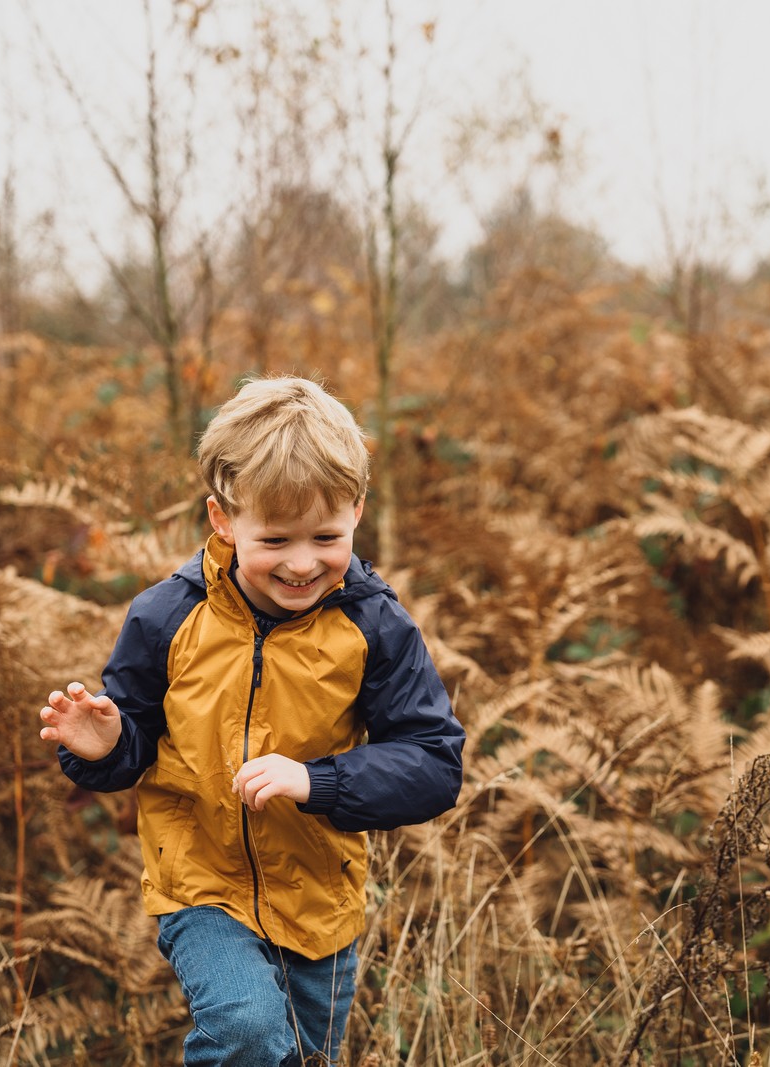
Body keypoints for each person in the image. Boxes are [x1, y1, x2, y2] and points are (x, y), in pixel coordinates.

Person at [40, 376, 465, 1066]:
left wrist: (316, 779)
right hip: (201, 883)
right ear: (223, 518)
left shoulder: (374, 624)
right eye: (274, 538)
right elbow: (135, 745)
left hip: (318, 896)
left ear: (357, 510)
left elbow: (434, 762)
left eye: (326, 536)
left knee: (302, 1054)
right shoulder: (167, 616)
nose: (302, 563)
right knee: (245, 1031)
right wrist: (109, 744)